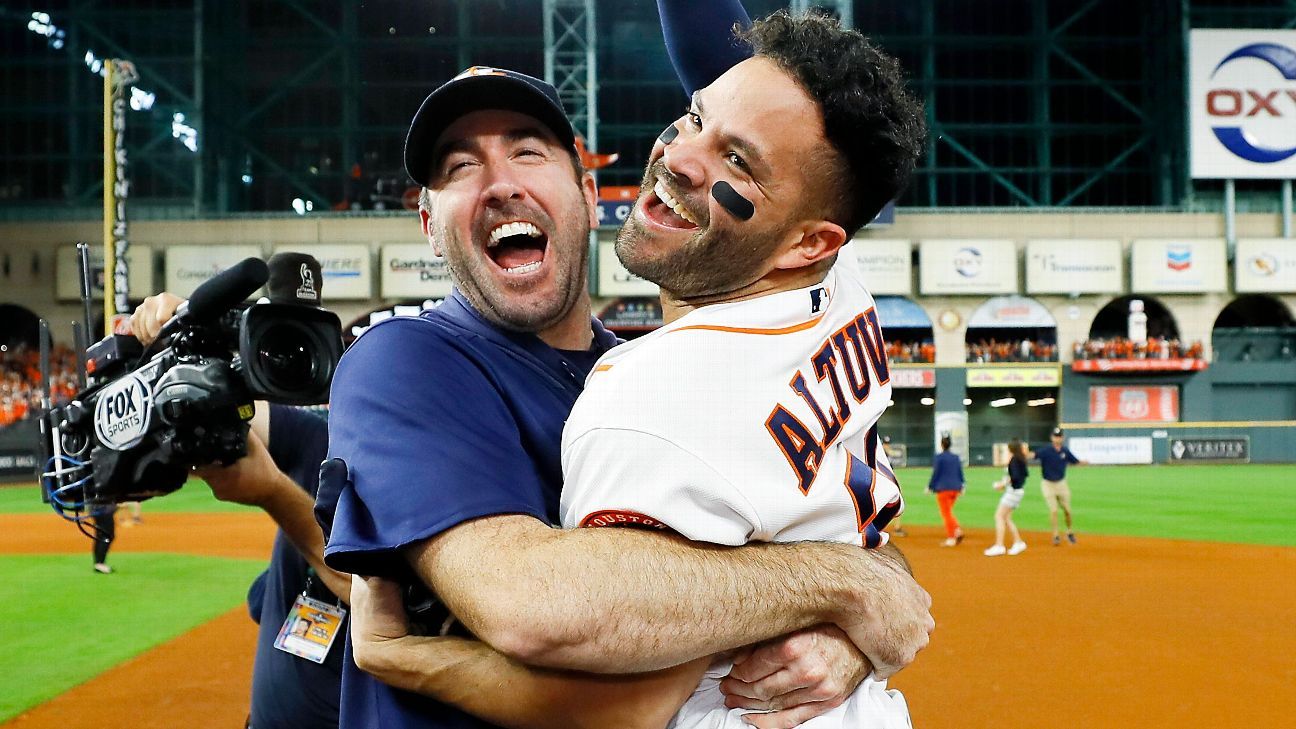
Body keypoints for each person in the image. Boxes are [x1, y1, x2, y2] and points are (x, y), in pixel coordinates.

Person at [322, 12, 931, 729]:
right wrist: (850, 589)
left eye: (528, 152)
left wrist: (858, 601)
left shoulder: (646, 387)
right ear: (427, 224)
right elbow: (531, 605)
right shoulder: (405, 360)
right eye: (458, 167)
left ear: (587, 190)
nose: (497, 184)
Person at [129, 262, 350, 729]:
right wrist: (181, 348)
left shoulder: (438, 479)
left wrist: (274, 494)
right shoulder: (319, 438)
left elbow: (370, 592)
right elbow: (228, 413)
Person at [1034, 426, 1084, 545]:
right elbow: (1033, 455)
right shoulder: (1046, 451)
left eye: (1059, 436)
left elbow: (1075, 461)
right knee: (1054, 510)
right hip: (1048, 484)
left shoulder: (1065, 451)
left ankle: (1069, 531)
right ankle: (1055, 535)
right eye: (1056, 436)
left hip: (1061, 484)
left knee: (1067, 510)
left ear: (1062, 438)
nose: (1057, 439)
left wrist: (1085, 462)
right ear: (1052, 438)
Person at [985, 438, 1029, 557]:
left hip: (1013, 492)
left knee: (999, 516)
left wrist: (1001, 484)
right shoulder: (1021, 459)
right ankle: (1018, 542)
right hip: (1018, 491)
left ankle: (999, 545)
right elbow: (1024, 475)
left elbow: (1014, 477)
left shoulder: (1014, 460)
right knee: (1006, 518)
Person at [928, 435, 965, 547]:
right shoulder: (956, 457)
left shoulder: (939, 457)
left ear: (941, 445)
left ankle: (953, 535)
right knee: (948, 512)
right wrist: (962, 486)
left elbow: (936, 473)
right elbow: (960, 472)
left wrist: (930, 486)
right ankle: (955, 531)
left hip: (944, 489)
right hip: (955, 489)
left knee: (946, 514)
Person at [91, 503, 116, 574]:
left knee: (100, 535)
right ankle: (100, 564)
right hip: (103, 509)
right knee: (107, 536)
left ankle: (98, 563)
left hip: (97, 509)